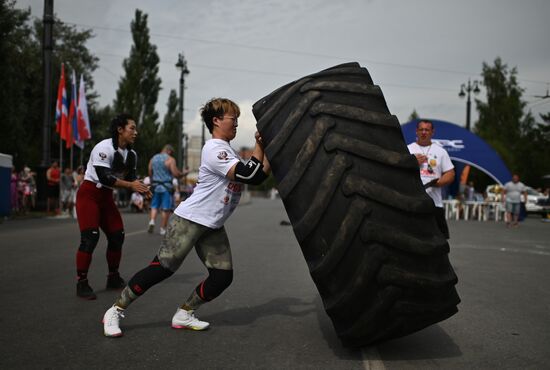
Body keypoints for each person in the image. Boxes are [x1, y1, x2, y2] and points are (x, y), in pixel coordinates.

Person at [102, 98, 270, 337]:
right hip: (190, 219)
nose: (236, 124)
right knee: (162, 268)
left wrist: (269, 147)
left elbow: (259, 174)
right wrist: (258, 143)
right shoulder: (215, 149)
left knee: (222, 277)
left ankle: (185, 313)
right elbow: (250, 174)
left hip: (212, 225)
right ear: (216, 120)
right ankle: (115, 310)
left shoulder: (227, 150)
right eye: (233, 119)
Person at [75, 114, 152, 300]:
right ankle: (82, 282)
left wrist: (140, 186)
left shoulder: (131, 154)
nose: (136, 132)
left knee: (117, 235)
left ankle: (113, 277)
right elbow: (105, 177)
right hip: (90, 194)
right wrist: (131, 185)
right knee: (90, 238)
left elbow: (131, 177)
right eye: (132, 128)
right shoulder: (103, 147)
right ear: (120, 129)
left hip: (106, 197)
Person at [407, 120, 455, 238]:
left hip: (434, 203)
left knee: (439, 239)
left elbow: (450, 173)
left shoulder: (440, 151)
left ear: (432, 132)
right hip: (412, 201)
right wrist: (412, 162)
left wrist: (439, 183)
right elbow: (398, 170)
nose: (424, 132)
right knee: (411, 237)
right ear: (416, 132)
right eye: (421, 129)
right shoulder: (408, 149)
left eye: (427, 130)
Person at [147, 144, 187, 236]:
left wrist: (152, 180)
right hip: (166, 187)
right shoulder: (170, 159)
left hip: (156, 186)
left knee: (154, 206)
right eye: (171, 153)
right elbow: (175, 173)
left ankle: (152, 221)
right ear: (169, 151)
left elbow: (149, 170)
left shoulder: (153, 158)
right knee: (166, 209)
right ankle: (162, 228)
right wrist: (183, 174)